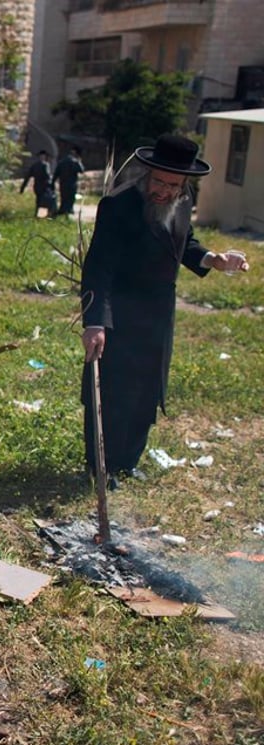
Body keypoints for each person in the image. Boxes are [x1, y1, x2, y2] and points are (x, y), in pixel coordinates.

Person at [81, 134, 250, 488]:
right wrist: (95, 322)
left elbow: (183, 241)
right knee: (115, 390)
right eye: (159, 181)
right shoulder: (119, 206)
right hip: (120, 314)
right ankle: (103, 466)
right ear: (148, 174)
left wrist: (213, 260)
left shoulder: (182, 201)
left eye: (173, 184)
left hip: (158, 314)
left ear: (184, 183)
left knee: (146, 389)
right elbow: (99, 267)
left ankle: (128, 460)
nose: (164, 191)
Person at [20, 150, 57, 218]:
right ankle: (46, 216)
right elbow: (47, 175)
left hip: (37, 187)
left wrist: (22, 188)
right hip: (45, 186)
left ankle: (37, 215)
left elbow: (27, 177)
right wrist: (52, 185)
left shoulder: (34, 166)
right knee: (46, 201)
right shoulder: (46, 165)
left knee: (39, 201)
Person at [53, 146, 85, 218]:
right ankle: (68, 211)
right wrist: (79, 161)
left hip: (63, 184)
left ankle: (63, 210)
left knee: (64, 198)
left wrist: (53, 182)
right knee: (70, 199)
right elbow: (81, 170)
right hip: (72, 184)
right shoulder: (75, 162)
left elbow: (56, 173)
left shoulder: (62, 161)